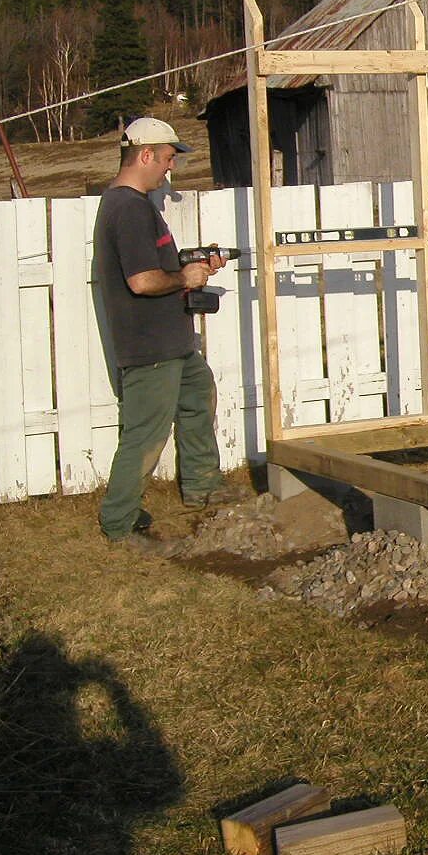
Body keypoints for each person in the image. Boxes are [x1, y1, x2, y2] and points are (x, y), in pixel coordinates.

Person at [94, 117, 246, 550]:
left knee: (199, 397)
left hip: (172, 341)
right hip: (149, 346)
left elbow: (154, 266)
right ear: (144, 155)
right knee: (145, 435)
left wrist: (190, 266)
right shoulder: (126, 208)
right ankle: (119, 524)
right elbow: (142, 281)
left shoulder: (139, 206)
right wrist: (185, 279)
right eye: (165, 159)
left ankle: (202, 486)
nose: (168, 169)